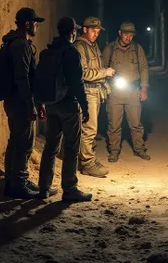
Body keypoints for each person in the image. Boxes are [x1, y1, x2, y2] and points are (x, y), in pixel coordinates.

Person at [38, 17, 93, 202]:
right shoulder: (71, 52)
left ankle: (44, 187)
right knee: (71, 147)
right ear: (72, 32)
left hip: (51, 104)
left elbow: (40, 80)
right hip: (68, 105)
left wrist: (40, 104)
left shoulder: (49, 51)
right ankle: (69, 188)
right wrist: (85, 107)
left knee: (51, 146)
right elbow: (77, 83)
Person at [3, 7, 45, 199]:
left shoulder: (17, 43)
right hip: (20, 102)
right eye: (35, 23)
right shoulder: (20, 46)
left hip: (16, 100)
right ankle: (18, 184)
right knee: (24, 143)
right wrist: (30, 103)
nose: (37, 26)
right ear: (27, 24)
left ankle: (14, 181)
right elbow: (22, 78)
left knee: (16, 141)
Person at [102, 21, 150, 162]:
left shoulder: (137, 49)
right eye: (126, 34)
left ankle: (139, 149)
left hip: (133, 92)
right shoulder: (109, 49)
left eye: (131, 35)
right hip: (115, 93)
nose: (129, 37)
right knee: (114, 125)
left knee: (136, 123)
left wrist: (144, 88)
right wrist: (104, 90)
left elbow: (144, 68)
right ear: (120, 33)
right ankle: (114, 151)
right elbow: (102, 70)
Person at [74, 16, 115, 177]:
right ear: (84, 30)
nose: (96, 34)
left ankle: (90, 158)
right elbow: (82, 73)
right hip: (87, 93)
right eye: (93, 31)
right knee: (89, 130)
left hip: (95, 92)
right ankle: (87, 164)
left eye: (98, 31)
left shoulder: (93, 46)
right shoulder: (79, 47)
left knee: (92, 129)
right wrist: (104, 72)